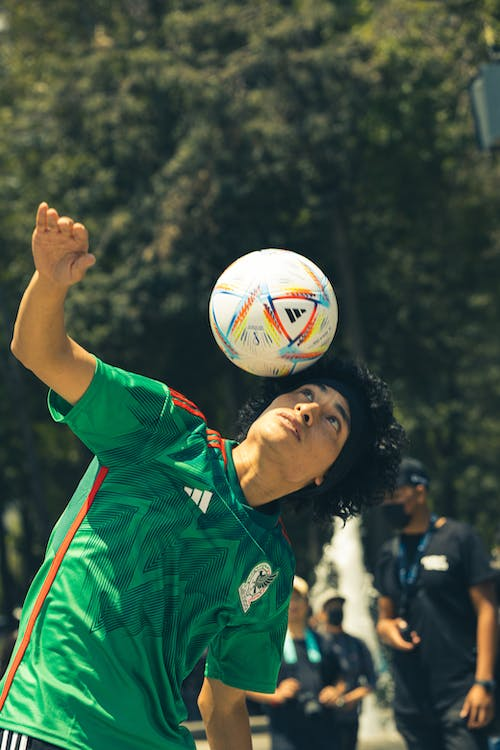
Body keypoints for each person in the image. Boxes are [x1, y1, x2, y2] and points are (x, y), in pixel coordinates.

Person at [0, 202, 404, 750]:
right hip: (50, 722)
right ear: (269, 398)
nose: (309, 409)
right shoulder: (164, 428)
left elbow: (225, 702)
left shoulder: (271, 568)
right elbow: (37, 350)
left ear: (327, 478)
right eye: (305, 392)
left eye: (334, 420)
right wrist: (50, 282)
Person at [375, 457, 498, 750]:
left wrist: (484, 683)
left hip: (461, 694)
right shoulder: (388, 553)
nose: (388, 502)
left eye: (396, 493)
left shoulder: (460, 538)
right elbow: (383, 619)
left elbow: (488, 610)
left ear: (420, 491)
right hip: (412, 700)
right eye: (385, 496)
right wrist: (388, 630)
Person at [246, 576, 344, 750]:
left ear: (307, 604)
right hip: (285, 733)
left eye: (297, 598)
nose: (293, 603)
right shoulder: (268, 643)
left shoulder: (323, 641)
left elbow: (341, 675)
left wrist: (335, 691)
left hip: (323, 731)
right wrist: (274, 694)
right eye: (286, 597)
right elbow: (242, 683)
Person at [316, 589, 377, 750]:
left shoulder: (357, 644)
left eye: (339, 606)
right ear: (321, 613)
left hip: (348, 719)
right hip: (320, 718)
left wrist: (348, 699)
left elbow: (372, 681)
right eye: (331, 607)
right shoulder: (315, 643)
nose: (336, 611)